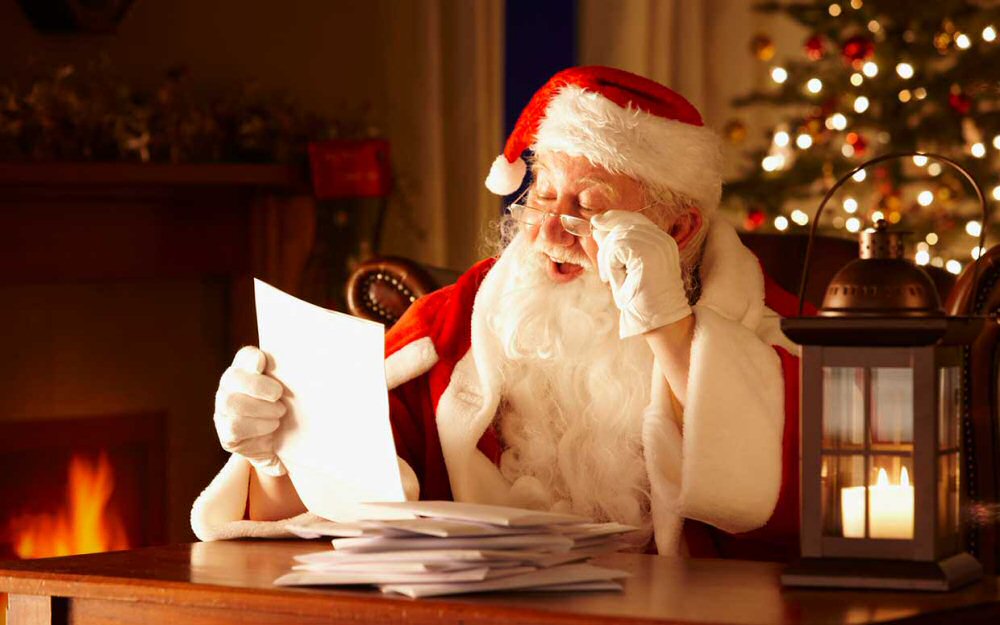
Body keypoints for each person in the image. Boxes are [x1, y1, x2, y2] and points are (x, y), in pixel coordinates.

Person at [192, 66, 803, 560]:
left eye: (589, 209)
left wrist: (670, 327)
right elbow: (339, 496)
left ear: (678, 227)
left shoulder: (776, 330)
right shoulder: (457, 321)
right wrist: (274, 454)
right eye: (541, 197)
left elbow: (800, 510)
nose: (551, 232)